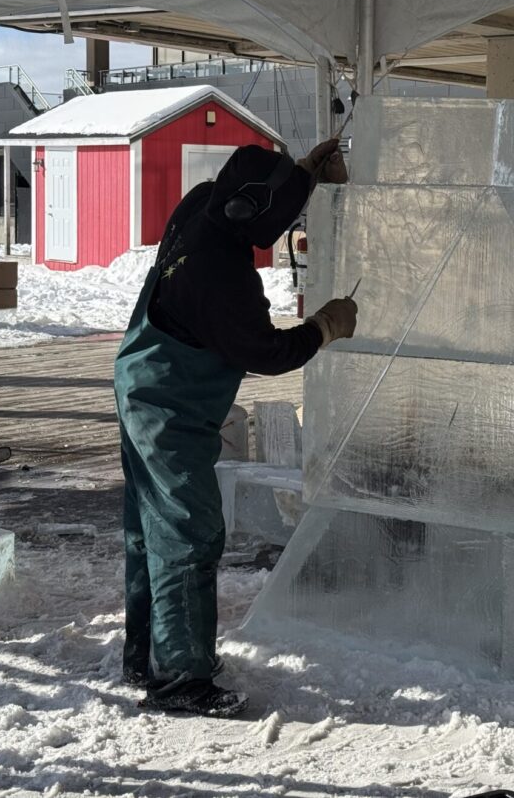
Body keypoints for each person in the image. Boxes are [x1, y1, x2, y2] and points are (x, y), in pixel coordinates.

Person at [114, 139, 355, 718]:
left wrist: (303, 175)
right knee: (187, 532)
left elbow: (255, 196)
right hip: (168, 404)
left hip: (143, 378)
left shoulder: (203, 203)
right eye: (284, 215)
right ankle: (179, 680)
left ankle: (148, 653)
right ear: (250, 214)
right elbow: (266, 351)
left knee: (151, 528)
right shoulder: (221, 274)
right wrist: (324, 326)